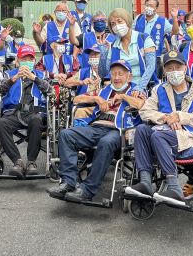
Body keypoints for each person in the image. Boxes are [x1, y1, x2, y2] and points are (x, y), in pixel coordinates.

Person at [125, 51, 193, 205]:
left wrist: (182, 117)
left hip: (190, 137)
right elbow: (145, 110)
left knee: (157, 136)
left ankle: (174, 188)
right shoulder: (159, 89)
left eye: (178, 67)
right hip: (165, 131)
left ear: (185, 68)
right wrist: (165, 118)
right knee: (142, 130)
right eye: (169, 68)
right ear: (164, 71)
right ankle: (144, 182)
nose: (174, 71)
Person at [48, 60, 145, 203]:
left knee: (106, 142)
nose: (116, 77)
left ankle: (88, 189)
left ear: (129, 77)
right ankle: (68, 182)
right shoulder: (104, 90)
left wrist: (123, 96)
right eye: (113, 74)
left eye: (121, 74)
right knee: (66, 134)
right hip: (97, 126)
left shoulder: (136, 90)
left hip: (120, 130)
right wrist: (96, 99)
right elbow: (76, 99)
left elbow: (142, 104)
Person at [0, 44, 52, 177]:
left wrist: (34, 79)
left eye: (30, 59)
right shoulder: (9, 74)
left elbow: (50, 91)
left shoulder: (42, 75)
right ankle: (17, 162)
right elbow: (0, 91)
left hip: (35, 113)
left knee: (36, 120)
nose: (27, 61)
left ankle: (31, 162)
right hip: (14, 113)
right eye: (24, 58)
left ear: (34, 61)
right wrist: (14, 79)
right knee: (0, 124)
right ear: (18, 60)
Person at [107, 7, 156, 93]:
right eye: (113, 24)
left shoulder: (144, 38)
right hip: (120, 88)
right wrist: (104, 52)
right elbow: (104, 71)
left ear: (127, 21)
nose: (117, 26)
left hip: (143, 86)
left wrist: (139, 88)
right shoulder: (113, 45)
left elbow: (150, 67)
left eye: (119, 21)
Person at [33, 1, 75, 76]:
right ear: (55, 12)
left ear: (68, 12)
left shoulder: (73, 24)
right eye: (59, 11)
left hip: (69, 60)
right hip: (51, 60)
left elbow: (77, 43)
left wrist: (74, 57)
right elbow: (41, 41)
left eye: (63, 11)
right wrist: (37, 33)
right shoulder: (48, 26)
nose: (61, 12)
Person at [133, 0, 170, 66]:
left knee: (154, 75)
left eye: (151, 6)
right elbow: (132, 32)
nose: (149, 7)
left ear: (156, 8)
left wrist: (174, 18)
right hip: (139, 55)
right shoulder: (138, 18)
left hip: (155, 56)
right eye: (147, 5)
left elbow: (174, 31)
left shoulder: (162, 21)